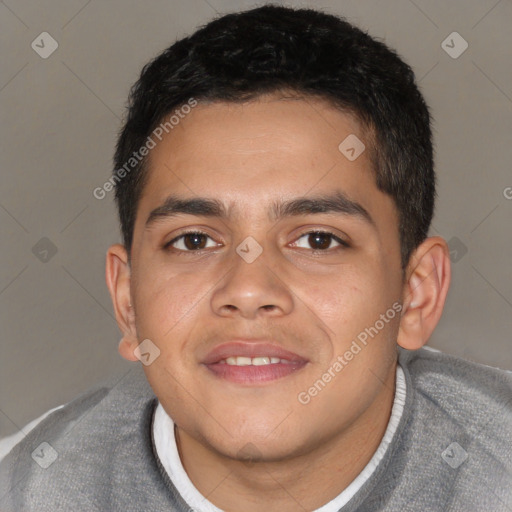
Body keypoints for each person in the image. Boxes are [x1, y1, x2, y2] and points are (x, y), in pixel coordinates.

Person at [1, 4, 510, 511]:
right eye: (194, 241)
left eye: (317, 240)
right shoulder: (24, 489)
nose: (247, 291)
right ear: (127, 302)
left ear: (415, 293)